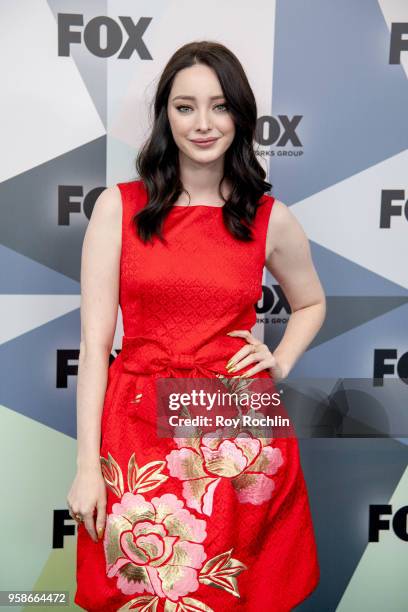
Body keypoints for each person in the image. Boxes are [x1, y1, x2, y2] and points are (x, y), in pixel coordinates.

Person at [68, 40, 326, 611]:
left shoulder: (268, 217)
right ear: (166, 116)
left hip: (236, 430)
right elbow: (93, 347)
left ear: (240, 115)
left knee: (235, 592)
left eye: (219, 106)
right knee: (146, 590)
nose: (203, 124)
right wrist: (87, 467)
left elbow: (311, 303)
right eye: (185, 107)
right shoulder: (121, 207)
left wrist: (278, 361)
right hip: (136, 422)